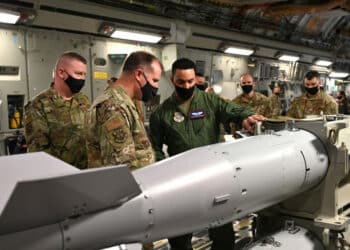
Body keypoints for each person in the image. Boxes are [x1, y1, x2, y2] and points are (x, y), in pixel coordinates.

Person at [149, 58, 265, 250]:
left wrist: (246, 115)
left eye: (190, 81)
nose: (187, 86)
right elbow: (154, 147)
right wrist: (163, 173)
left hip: (213, 179)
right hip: (181, 180)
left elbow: (231, 109)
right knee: (178, 236)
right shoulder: (161, 114)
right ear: (172, 80)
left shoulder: (210, 102)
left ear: (195, 79)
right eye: (181, 82)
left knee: (222, 233)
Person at [86, 50, 162, 170]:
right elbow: (122, 167)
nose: (156, 87)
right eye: (155, 80)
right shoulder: (113, 106)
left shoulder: (124, 102)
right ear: (139, 74)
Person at [24, 51, 90, 169]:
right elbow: (39, 153)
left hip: (85, 174)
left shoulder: (84, 101)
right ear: (61, 73)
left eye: (84, 74)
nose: (82, 79)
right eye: (78, 74)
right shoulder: (38, 105)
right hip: (58, 176)